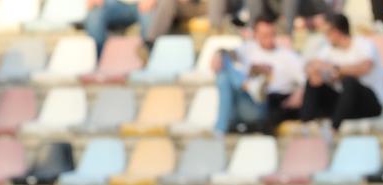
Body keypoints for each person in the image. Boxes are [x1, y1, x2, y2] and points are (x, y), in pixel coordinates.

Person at [213, 17, 305, 134]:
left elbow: (306, 80)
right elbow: (227, 55)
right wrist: (218, 54)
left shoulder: (287, 56)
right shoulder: (248, 49)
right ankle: (249, 86)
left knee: (224, 77)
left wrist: (298, 94)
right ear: (255, 35)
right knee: (224, 70)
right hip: (245, 98)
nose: (268, 39)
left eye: (271, 34)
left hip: (265, 104)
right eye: (264, 35)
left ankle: (219, 129)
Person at [300, 14, 383, 129]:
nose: (325, 37)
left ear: (336, 32)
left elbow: (365, 67)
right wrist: (316, 72)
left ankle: (334, 128)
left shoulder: (364, 44)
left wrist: (338, 70)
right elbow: (310, 66)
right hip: (345, 104)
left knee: (349, 81)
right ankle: (306, 125)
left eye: (327, 33)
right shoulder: (328, 49)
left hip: (370, 102)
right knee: (313, 82)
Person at [84, 0, 224, 58]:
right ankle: (97, 60)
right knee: (94, 15)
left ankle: (149, 53)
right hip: (114, 4)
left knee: (149, 17)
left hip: (145, 5)